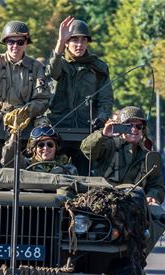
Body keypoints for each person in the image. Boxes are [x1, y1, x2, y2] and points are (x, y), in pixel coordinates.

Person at [80, 106, 165, 241]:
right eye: (128, 125)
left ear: (143, 130)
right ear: (119, 126)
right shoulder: (108, 145)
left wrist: (152, 196)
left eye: (138, 126)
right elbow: (86, 150)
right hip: (105, 199)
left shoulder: (148, 156)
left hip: (134, 203)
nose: (134, 129)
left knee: (147, 203)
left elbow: (157, 186)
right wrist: (102, 134)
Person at [45, 16, 113, 174]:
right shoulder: (58, 63)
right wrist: (60, 43)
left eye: (83, 40)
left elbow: (106, 99)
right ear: (67, 43)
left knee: (85, 177)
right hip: (58, 129)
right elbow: (51, 72)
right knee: (54, 175)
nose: (79, 45)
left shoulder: (99, 68)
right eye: (74, 40)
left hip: (85, 131)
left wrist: (101, 118)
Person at [1, 117, 77, 175]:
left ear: (56, 148)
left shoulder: (67, 169)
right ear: (34, 149)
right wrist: (15, 132)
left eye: (50, 145)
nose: (46, 148)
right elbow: (10, 160)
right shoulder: (25, 165)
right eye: (41, 145)